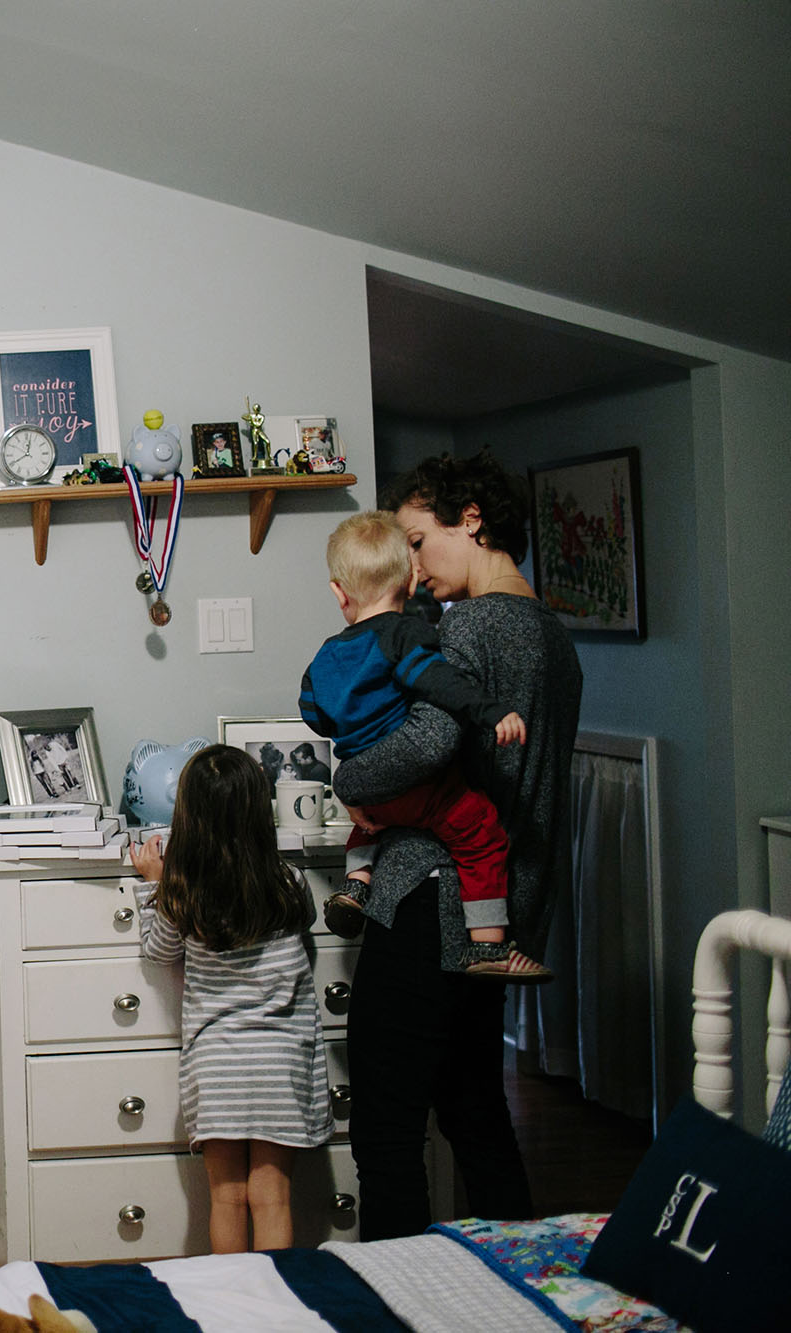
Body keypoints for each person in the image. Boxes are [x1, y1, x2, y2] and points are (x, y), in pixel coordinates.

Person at [330, 453, 582, 1242]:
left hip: (430, 896)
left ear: (470, 519)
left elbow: (430, 742)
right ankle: (521, 1282)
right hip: (500, 908)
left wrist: (349, 779)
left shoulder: (469, 625)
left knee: (385, 1124)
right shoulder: (552, 633)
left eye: (416, 538)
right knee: (475, 1109)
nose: (410, 564)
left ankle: (396, 1302)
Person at [298, 510, 548, 982]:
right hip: (420, 790)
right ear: (410, 582)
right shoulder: (406, 634)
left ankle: (355, 884)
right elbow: (437, 683)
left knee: (369, 825)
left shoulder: (327, 653)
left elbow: (312, 710)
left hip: (372, 798)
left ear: (338, 592)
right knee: (481, 834)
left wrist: (350, 738)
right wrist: (491, 711)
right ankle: (487, 945)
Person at [127, 745, 331, 1253]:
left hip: (218, 1063)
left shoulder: (183, 890)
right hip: (281, 1060)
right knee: (272, 1197)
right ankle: (277, 1304)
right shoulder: (288, 881)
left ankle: (231, 1311)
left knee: (227, 1198)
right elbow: (305, 922)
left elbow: (157, 952)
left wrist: (153, 883)